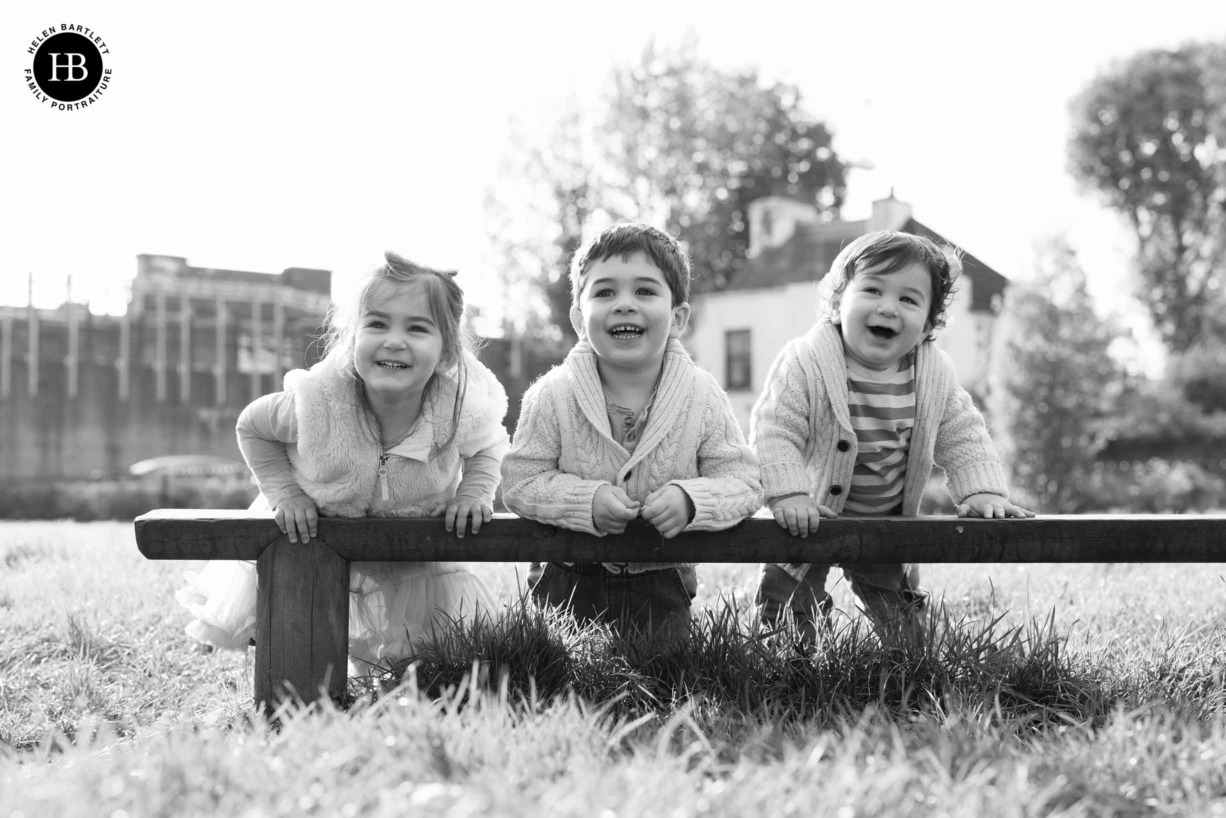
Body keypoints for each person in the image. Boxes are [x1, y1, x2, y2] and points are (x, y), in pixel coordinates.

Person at [176, 252, 510, 672]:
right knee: (304, 639)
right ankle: (295, 680)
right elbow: (252, 426)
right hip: (314, 527)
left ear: (446, 354)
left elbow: (491, 444)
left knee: (420, 655)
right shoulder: (316, 405)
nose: (393, 339)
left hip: (410, 537)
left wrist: (474, 492)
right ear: (352, 339)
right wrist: (285, 494)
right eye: (377, 324)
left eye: (417, 328)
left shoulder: (460, 410)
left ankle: (405, 686)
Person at [751, 230, 1033, 647]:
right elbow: (775, 429)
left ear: (928, 323)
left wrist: (982, 491)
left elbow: (962, 433)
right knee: (788, 599)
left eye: (908, 299)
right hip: (809, 519)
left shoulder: (933, 374)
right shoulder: (806, 361)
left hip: (885, 520)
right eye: (872, 289)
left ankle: (908, 668)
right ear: (837, 301)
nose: (888, 307)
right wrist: (788, 494)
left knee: (903, 621)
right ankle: (786, 665)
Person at [501, 223, 762, 643]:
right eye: (604, 293)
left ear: (677, 318)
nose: (624, 305)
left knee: (663, 680)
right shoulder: (552, 394)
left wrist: (691, 500)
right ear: (578, 318)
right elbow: (520, 481)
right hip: (567, 574)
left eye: (645, 291)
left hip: (661, 576)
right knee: (560, 682)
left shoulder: (702, 395)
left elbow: (744, 481)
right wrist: (585, 500)